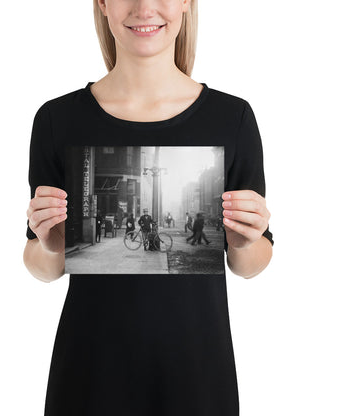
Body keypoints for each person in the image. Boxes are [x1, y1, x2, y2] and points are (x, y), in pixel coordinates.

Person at [23, 1, 274, 414]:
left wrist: (245, 238)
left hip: (197, 375)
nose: (144, 7)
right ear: (102, 4)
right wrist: (50, 242)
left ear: (187, 3)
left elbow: (252, 264)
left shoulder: (233, 118)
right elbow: (40, 266)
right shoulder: (56, 119)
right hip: (90, 377)